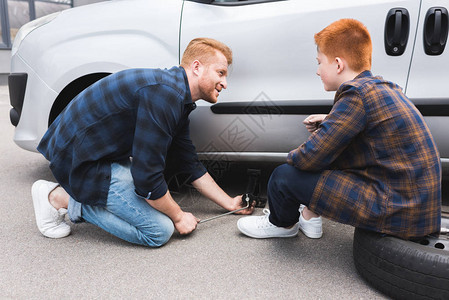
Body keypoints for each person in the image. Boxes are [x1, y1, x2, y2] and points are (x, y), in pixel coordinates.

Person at [32, 37, 254, 247]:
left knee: (159, 201)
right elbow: (147, 179)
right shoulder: (165, 96)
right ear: (197, 67)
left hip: (98, 153)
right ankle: (58, 198)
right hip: (80, 159)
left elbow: (189, 163)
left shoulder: (175, 96)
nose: (224, 83)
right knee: (159, 230)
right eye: (221, 73)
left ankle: (75, 194)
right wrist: (178, 216)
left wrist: (229, 203)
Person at [237, 19, 441, 240]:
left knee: (284, 176)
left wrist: (296, 157)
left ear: (337, 64)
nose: (317, 71)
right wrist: (331, 120)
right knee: (339, 153)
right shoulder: (382, 87)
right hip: (418, 209)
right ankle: (310, 215)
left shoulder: (355, 95)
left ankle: (282, 225)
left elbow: (310, 157)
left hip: (396, 211)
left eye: (319, 62)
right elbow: (373, 128)